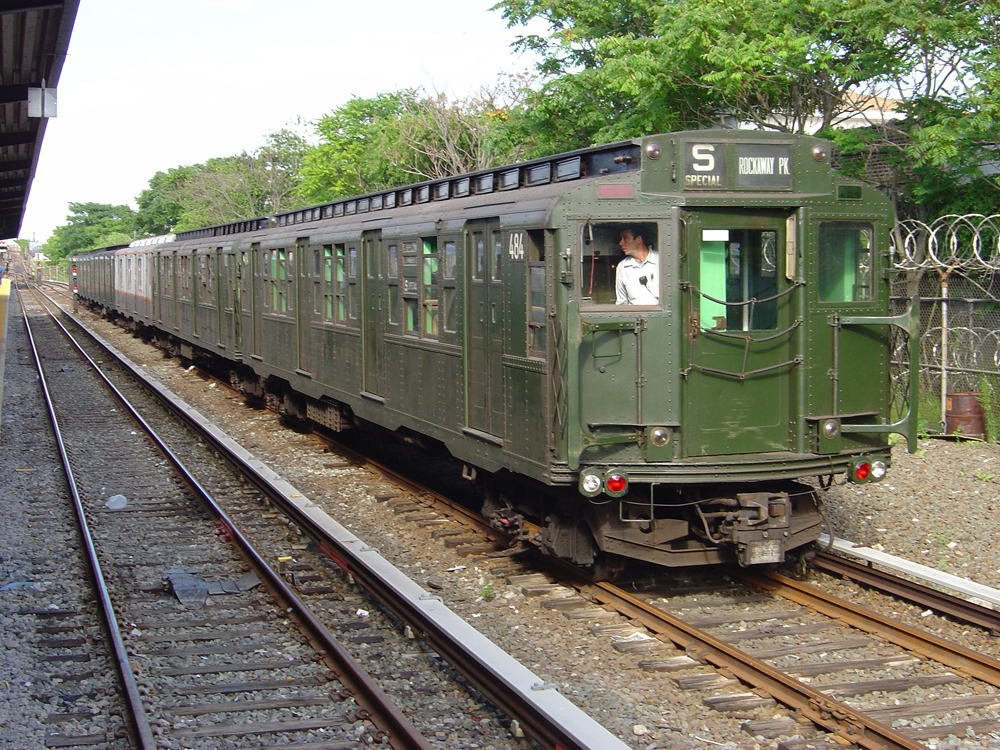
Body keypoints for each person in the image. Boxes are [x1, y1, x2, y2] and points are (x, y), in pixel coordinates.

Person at [615, 227, 658, 304]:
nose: (621, 243)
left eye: (625, 238)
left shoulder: (661, 260)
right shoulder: (622, 267)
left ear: (638, 239)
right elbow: (622, 303)